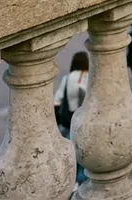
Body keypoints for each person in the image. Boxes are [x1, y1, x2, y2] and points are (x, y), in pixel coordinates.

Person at [54, 51, 89, 184]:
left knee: (73, 156)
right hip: (87, 123)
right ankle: (84, 183)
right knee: (86, 156)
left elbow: (57, 101)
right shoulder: (91, 77)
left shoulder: (68, 78)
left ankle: (74, 184)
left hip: (71, 123)